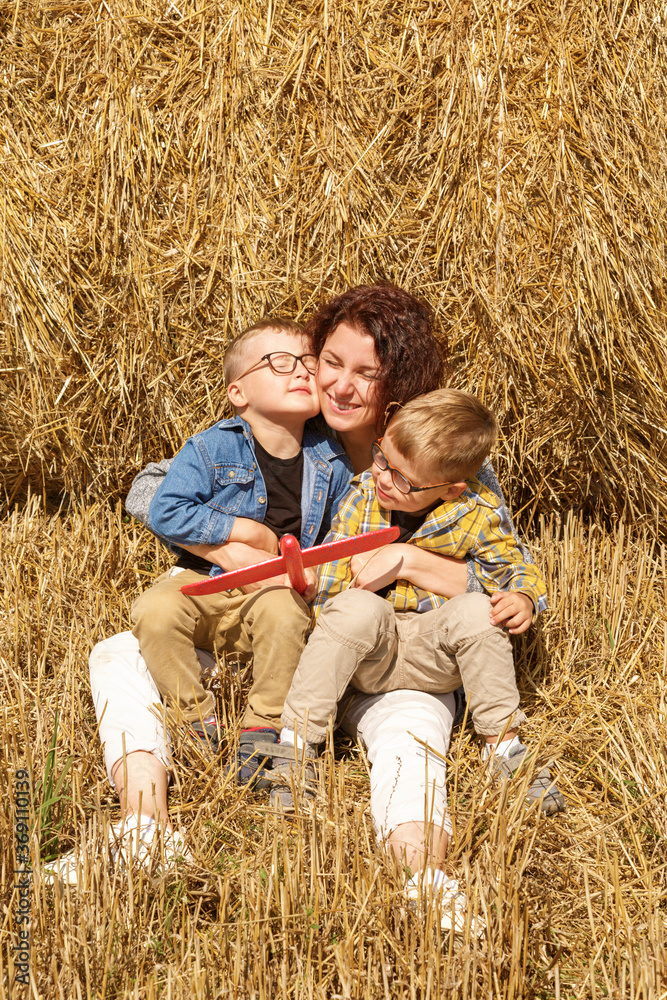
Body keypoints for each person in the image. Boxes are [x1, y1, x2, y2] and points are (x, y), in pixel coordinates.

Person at [45, 286, 558, 929]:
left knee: (410, 733)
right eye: (329, 362)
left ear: (399, 385)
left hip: (389, 653)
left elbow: (501, 575)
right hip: (293, 646)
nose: (339, 385)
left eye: (366, 373)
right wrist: (235, 541)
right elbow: (152, 486)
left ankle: (425, 878)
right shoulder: (295, 429)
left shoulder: (443, 457)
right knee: (119, 653)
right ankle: (144, 829)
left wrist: (409, 560)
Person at [273, 389, 564, 826]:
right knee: (354, 607)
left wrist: (522, 598)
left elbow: (515, 569)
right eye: (382, 458)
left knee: (477, 612)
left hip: (435, 654)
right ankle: (296, 748)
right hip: (371, 654)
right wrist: (325, 599)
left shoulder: (477, 512)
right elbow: (332, 579)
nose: (384, 478)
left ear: (450, 490)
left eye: (404, 479)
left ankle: (503, 750)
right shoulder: (361, 496)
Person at [129, 317, 351, 786]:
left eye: (309, 362)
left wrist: (317, 575)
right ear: (238, 393)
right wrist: (242, 530)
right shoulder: (211, 448)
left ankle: (262, 726)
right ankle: (196, 721)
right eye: (280, 362)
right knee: (154, 610)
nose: (302, 371)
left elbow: (341, 532)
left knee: (285, 615)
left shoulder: (332, 461)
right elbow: (166, 510)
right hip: (204, 578)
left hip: (273, 589)